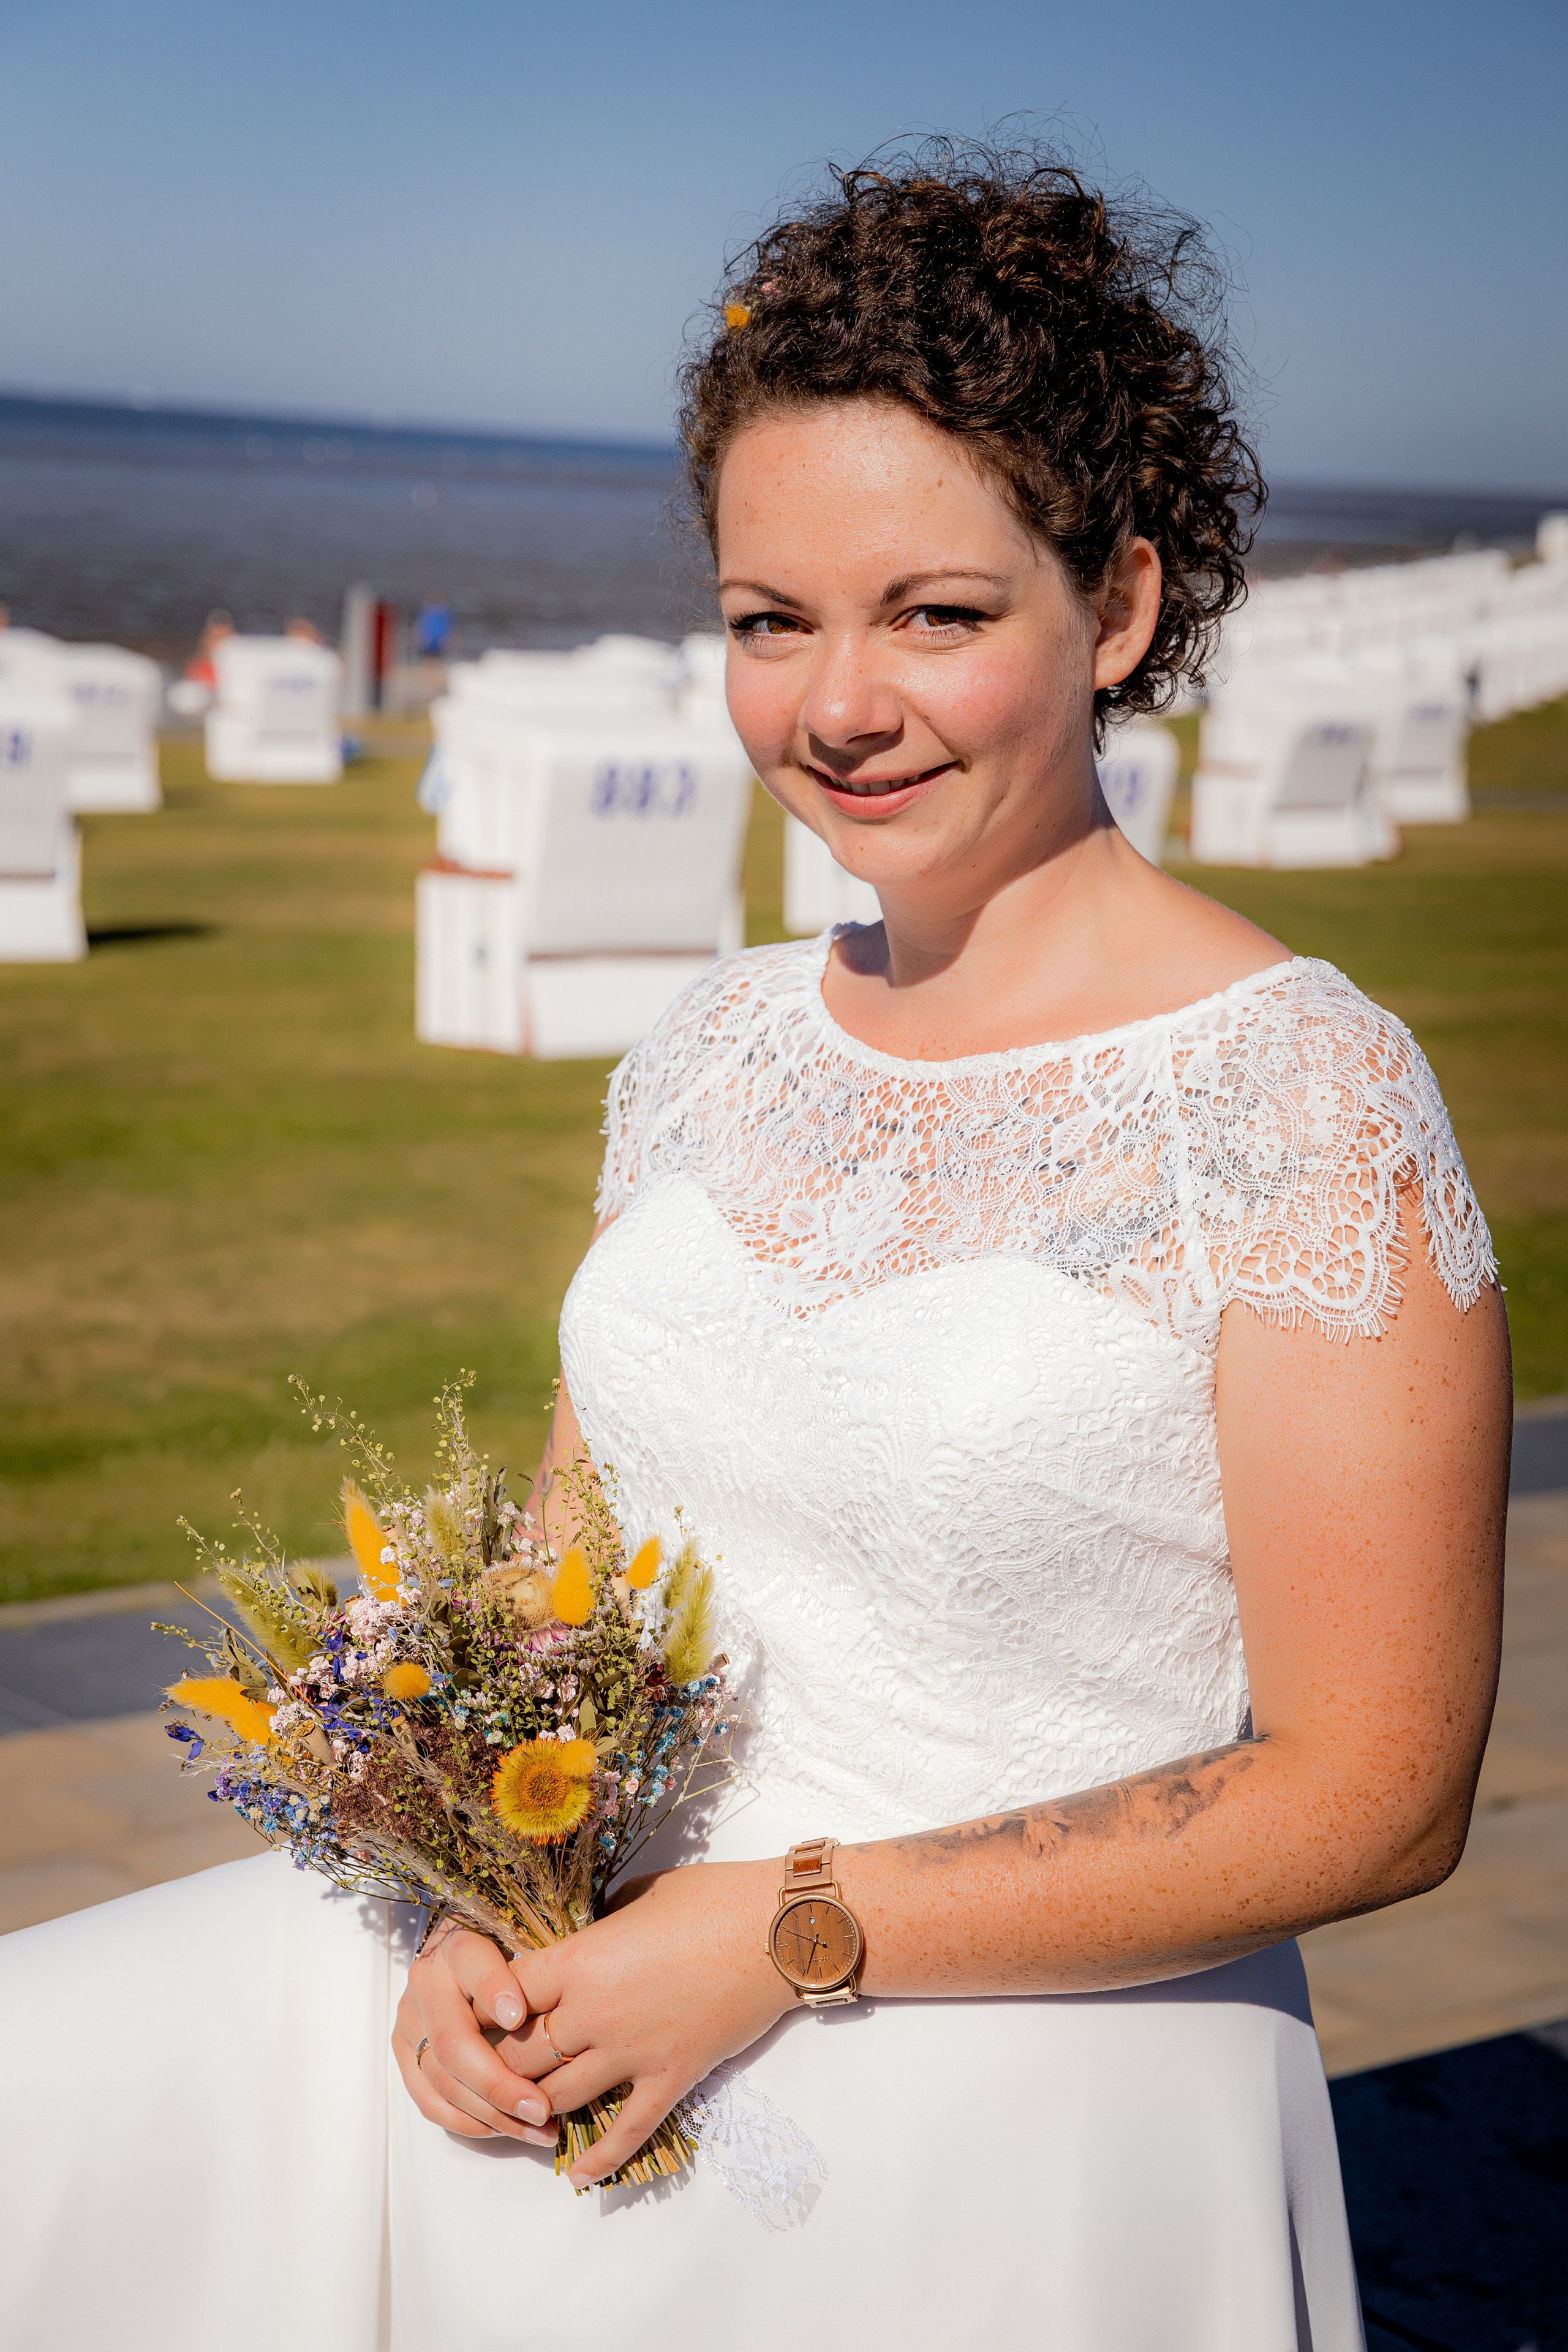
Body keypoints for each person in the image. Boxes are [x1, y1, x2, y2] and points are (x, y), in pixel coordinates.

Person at [0, 143, 1509, 2351]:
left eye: (938, 612)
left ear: (1123, 606)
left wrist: (771, 1936)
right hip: (577, 1949)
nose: (837, 708)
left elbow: (1377, 1796)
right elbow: (567, 1574)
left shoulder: (1303, 1104)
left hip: (1013, 2055)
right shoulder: (714, 1045)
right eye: (769, 619)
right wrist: (461, 1896)